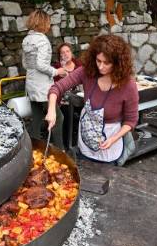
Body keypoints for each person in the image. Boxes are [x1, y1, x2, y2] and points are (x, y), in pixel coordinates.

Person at [45, 35, 138, 165]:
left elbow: (131, 120)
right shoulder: (86, 72)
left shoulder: (128, 85)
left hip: (110, 142)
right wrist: (51, 110)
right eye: (98, 61)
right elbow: (57, 88)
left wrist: (114, 139)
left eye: (107, 63)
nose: (100, 66)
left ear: (118, 63)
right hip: (85, 139)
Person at [22, 9, 66, 147]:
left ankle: (33, 151)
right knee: (58, 118)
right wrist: (56, 71)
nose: (49, 25)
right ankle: (60, 152)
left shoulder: (27, 40)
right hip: (43, 87)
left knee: (36, 120)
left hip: (31, 85)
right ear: (43, 23)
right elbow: (41, 65)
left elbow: (25, 64)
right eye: (48, 22)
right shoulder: (43, 41)